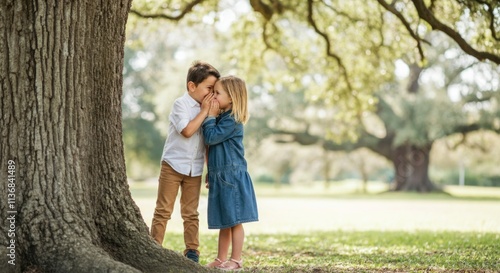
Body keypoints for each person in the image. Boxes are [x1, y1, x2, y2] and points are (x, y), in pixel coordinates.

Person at [150, 61, 220, 263]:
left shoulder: (207, 110)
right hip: (172, 165)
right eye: (209, 88)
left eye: (214, 90)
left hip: (194, 169)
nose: (212, 95)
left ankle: (192, 251)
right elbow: (188, 131)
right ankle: (155, 247)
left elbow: (207, 141)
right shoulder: (181, 104)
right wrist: (204, 112)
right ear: (192, 86)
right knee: (163, 210)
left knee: (191, 213)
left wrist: (209, 167)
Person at [202, 75, 259, 271]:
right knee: (224, 221)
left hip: (232, 177)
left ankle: (236, 260)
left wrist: (209, 116)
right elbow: (213, 150)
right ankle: (220, 258)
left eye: (217, 93)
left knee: (235, 221)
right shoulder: (222, 118)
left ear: (232, 98)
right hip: (221, 175)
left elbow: (210, 138)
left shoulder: (232, 120)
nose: (213, 97)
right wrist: (211, 173)